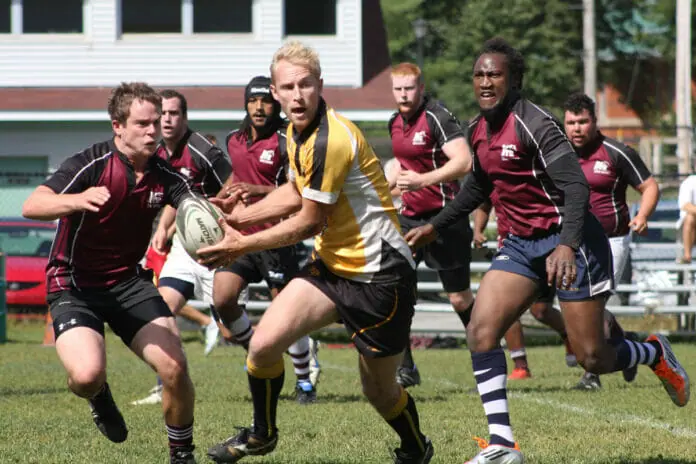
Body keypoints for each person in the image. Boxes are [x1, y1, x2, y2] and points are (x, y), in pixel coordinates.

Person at [404, 38, 689, 464]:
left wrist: (567, 246)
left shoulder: (536, 123)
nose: (485, 81)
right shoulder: (478, 130)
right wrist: (434, 225)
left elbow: (575, 187)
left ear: (514, 80)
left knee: (593, 355)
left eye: (494, 74)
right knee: (480, 331)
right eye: (480, 74)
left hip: (572, 241)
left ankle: (653, 351)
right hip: (520, 245)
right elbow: (477, 189)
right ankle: (502, 445)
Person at [199, 41, 433, 464]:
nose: (297, 94)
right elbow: (293, 190)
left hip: (381, 277)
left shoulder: (332, 138)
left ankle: (416, 449)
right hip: (332, 268)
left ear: (319, 85)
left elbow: (308, 220)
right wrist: (239, 219)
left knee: (379, 392)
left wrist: (240, 243)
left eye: (305, 84)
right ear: (274, 91)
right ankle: (262, 434)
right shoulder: (293, 132)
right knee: (263, 346)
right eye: (287, 86)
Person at [22, 82, 198, 464]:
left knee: (175, 367)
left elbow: (192, 205)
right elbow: (33, 205)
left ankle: (181, 454)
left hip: (128, 283)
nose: (154, 131)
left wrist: (217, 225)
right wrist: (76, 199)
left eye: (157, 123)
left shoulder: (164, 175)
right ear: (117, 125)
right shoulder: (91, 164)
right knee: (86, 376)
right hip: (74, 285)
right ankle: (99, 395)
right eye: (143, 124)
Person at [213, 75, 321, 404]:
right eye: (253, 101)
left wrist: (258, 191)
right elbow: (238, 176)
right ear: (245, 103)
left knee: (288, 312)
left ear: (275, 104)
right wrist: (223, 197)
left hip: (277, 237)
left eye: (266, 101)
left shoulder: (287, 139)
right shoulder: (234, 139)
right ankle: (257, 352)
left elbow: (300, 189)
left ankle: (305, 380)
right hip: (241, 236)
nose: (259, 107)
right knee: (223, 299)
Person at [131, 89, 233, 406]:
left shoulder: (203, 150)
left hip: (217, 248)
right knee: (162, 309)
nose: (168, 119)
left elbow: (233, 186)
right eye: (163, 114)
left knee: (233, 330)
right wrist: (163, 228)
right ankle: (167, 384)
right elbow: (178, 196)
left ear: (184, 117)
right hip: (183, 250)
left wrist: (215, 214)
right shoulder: (158, 156)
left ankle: (302, 355)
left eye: (174, 113)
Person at [387, 62, 473, 388]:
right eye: (398, 89)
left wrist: (423, 180)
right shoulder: (394, 122)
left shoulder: (437, 116)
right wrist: (380, 191)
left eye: (409, 88)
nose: (404, 94)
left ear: (421, 88)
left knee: (459, 299)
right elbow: (400, 167)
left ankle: (485, 354)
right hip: (409, 218)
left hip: (445, 217)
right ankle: (406, 368)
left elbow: (464, 162)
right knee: (395, 291)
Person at [472, 201, 534, 381]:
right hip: (511, 248)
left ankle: (579, 348)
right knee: (505, 308)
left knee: (542, 310)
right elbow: (481, 201)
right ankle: (520, 365)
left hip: (548, 244)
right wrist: (478, 230)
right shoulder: (494, 174)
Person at [677, 170, 696, 263]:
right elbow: (685, 205)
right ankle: (687, 256)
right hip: (691, 225)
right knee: (690, 217)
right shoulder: (689, 182)